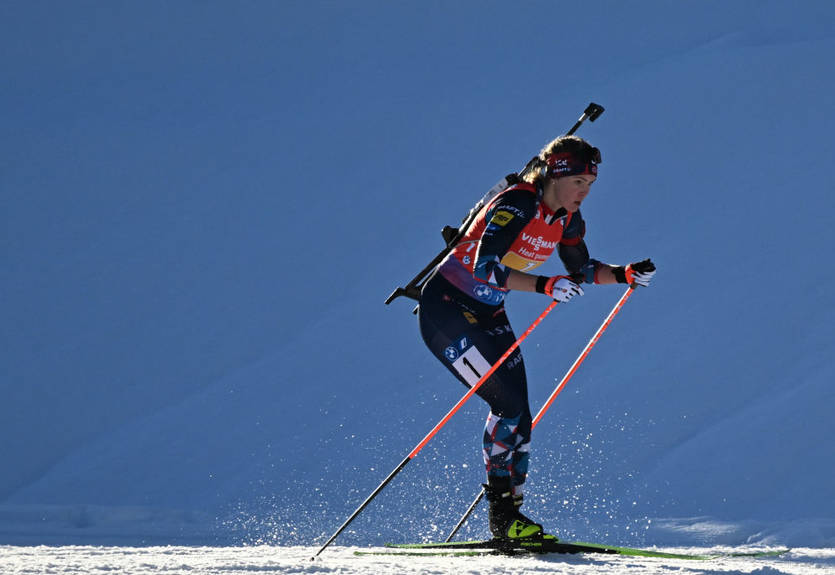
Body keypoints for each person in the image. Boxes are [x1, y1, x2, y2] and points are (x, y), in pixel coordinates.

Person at [417, 135, 656, 541]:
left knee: (520, 414)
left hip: (488, 314)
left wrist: (623, 273)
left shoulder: (567, 219)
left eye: (591, 184)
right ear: (555, 175)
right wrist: (546, 286)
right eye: (579, 181)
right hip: (448, 312)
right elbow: (484, 267)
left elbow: (581, 269)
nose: (585, 191)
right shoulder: (518, 203)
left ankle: (512, 518)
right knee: (507, 405)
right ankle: (503, 521)